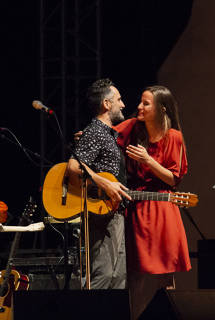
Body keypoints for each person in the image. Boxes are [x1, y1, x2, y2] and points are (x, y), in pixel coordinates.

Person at [113, 85, 191, 318]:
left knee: (165, 275)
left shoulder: (174, 137)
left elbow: (173, 179)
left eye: (146, 103)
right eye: (141, 101)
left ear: (161, 109)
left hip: (163, 210)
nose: (139, 107)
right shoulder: (133, 127)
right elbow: (106, 134)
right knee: (135, 274)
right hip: (137, 209)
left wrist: (148, 160)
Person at [66, 78, 131, 289]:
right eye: (119, 100)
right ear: (106, 104)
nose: (123, 104)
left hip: (115, 212)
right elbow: (74, 167)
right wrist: (104, 183)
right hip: (102, 214)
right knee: (103, 275)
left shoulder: (108, 134)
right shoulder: (95, 131)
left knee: (118, 277)